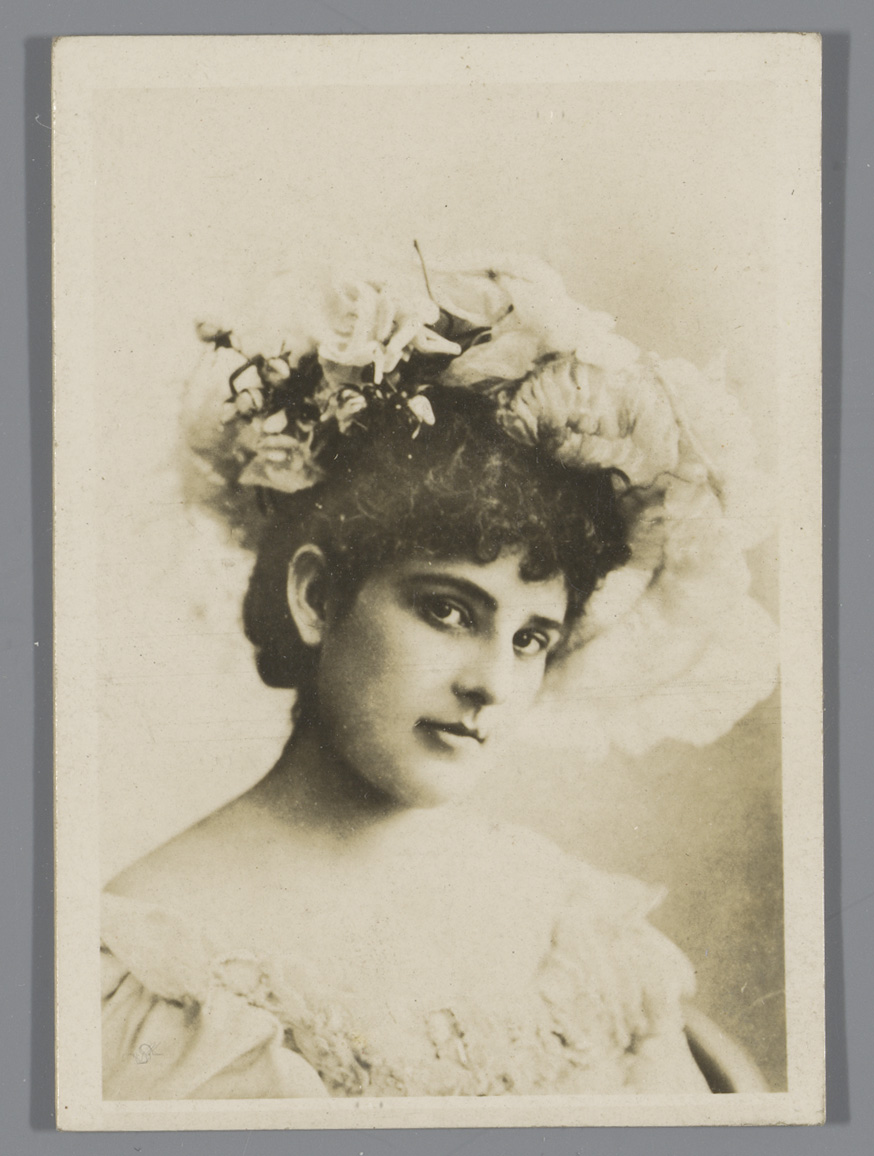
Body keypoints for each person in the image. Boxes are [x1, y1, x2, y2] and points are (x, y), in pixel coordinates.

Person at [100, 254, 774, 1099]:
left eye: (531, 638)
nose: (491, 683)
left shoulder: (576, 928)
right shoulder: (160, 963)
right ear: (316, 598)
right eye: (449, 611)